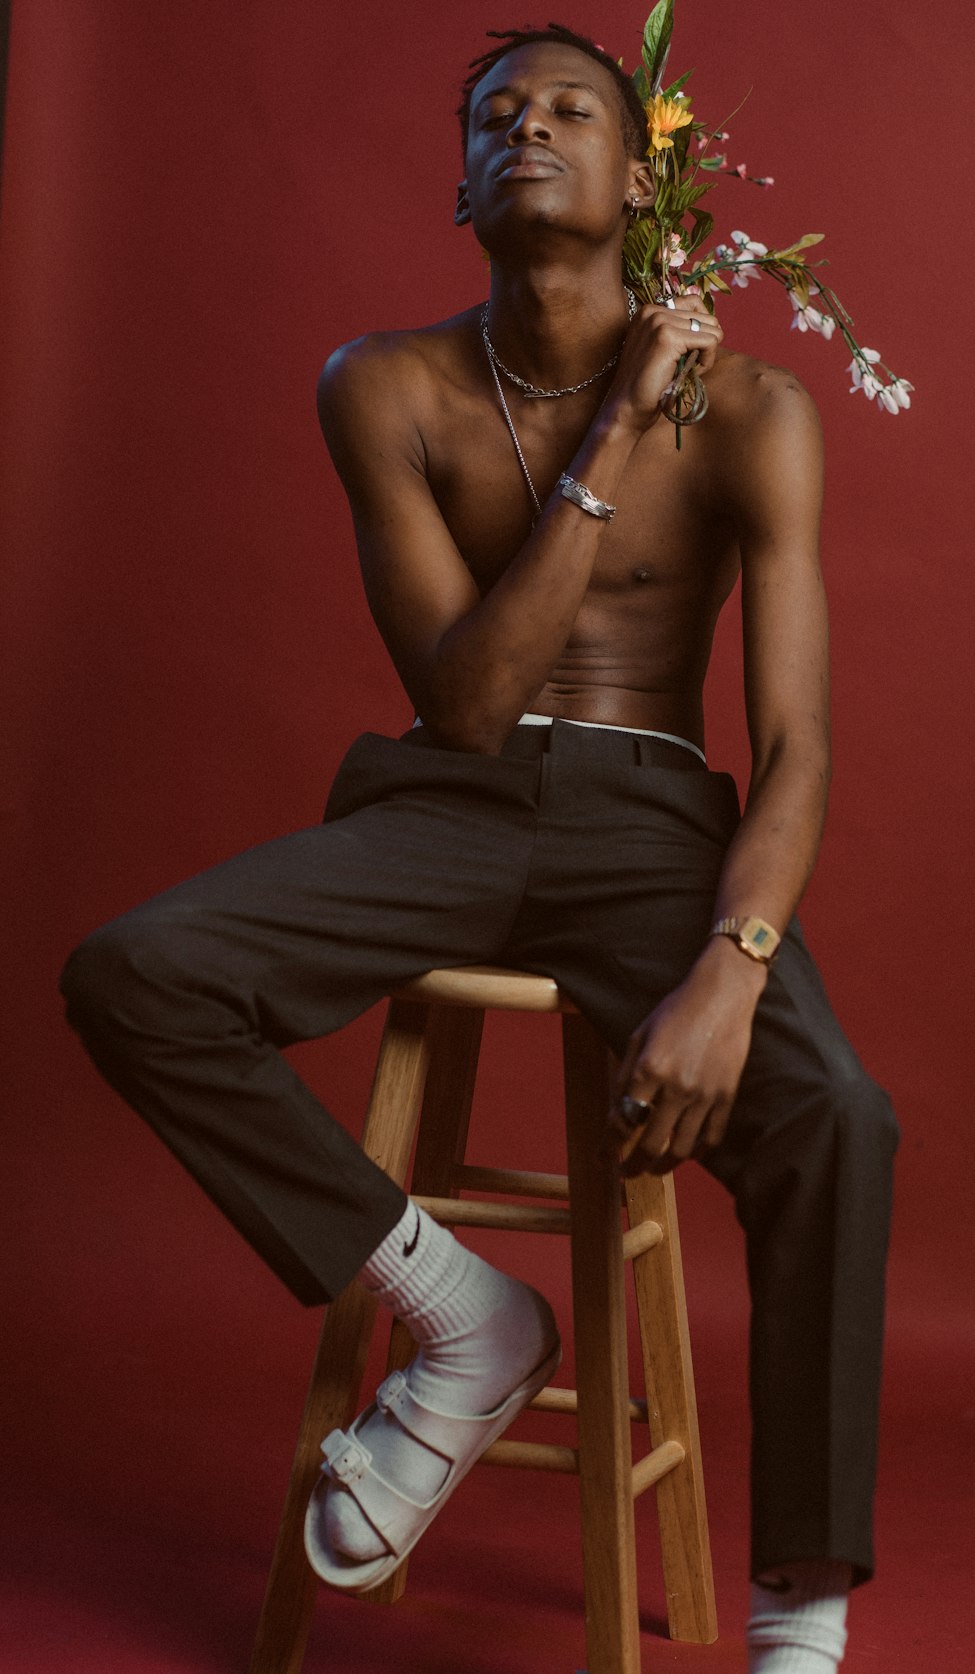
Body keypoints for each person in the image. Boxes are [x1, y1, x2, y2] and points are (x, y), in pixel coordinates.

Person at [60, 24, 898, 1673]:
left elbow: (795, 747)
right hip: (447, 801)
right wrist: (604, 457)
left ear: (643, 177)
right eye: (495, 116)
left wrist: (734, 970)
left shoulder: (761, 412)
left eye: (572, 107)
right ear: (459, 186)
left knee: (840, 1117)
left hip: (657, 817)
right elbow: (467, 702)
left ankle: (802, 1611)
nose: (530, 128)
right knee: (135, 974)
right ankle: (465, 1315)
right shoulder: (383, 387)